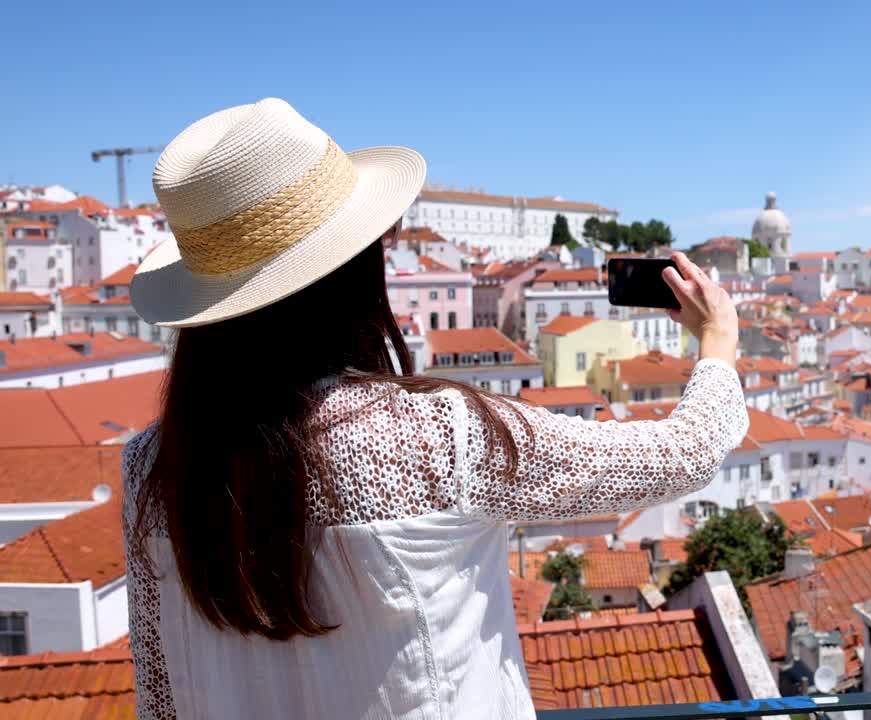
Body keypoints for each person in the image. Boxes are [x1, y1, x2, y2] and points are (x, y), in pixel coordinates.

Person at [123, 98, 747, 719]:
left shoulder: (150, 467)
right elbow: (681, 455)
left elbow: (160, 693)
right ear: (355, 269)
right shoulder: (436, 437)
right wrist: (716, 345)